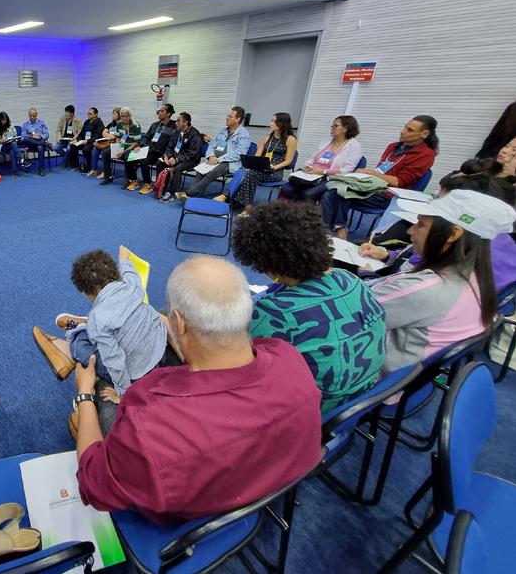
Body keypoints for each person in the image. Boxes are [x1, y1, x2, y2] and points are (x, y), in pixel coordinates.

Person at [74, 256, 322, 522]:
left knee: (91, 403)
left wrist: (85, 394)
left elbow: (93, 483)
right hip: (266, 494)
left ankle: (76, 337)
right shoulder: (290, 359)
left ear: (178, 323)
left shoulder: (147, 419)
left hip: (180, 526)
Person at [232, 201, 386, 413]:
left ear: (266, 265)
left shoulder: (271, 314)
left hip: (307, 415)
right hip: (358, 400)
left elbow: (236, 366)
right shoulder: (351, 280)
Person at [367, 190, 516, 373]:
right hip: (408, 376)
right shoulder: (478, 279)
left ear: (453, 234)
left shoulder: (425, 290)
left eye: (420, 224)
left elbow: (340, 317)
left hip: (369, 375)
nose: (410, 230)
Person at [31, 247, 167, 435]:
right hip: (158, 351)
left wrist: (123, 393)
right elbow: (131, 272)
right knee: (103, 330)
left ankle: (74, 334)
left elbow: (115, 359)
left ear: (86, 292)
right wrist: (125, 259)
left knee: (82, 346)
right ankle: (83, 324)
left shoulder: (99, 320)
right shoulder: (132, 285)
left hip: (136, 371)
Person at [359, 163, 516, 291]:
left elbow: (372, 300)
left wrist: (366, 274)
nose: (411, 230)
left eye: (441, 199)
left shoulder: (435, 277)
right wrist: (388, 254)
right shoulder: (494, 241)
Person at [321, 116, 438, 239]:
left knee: (339, 193)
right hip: (373, 186)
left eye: (410, 130)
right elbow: (381, 169)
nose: (403, 131)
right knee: (333, 190)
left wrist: (371, 173)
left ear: (424, 134)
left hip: (390, 194)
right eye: (405, 127)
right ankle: (332, 229)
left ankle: (337, 230)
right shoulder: (393, 147)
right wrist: (364, 175)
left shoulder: (426, 154)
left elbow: (399, 181)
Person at [214, 112, 298, 208]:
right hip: (261, 168)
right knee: (245, 171)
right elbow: (257, 155)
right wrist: (253, 163)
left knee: (251, 175)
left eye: (274, 121)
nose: (271, 123)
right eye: (271, 120)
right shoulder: (266, 138)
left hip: (275, 172)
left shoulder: (291, 139)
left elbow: (288, 161)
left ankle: (233, 199)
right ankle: (238, 202)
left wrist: (274, 167)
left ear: (283, 124)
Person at [280, 115, 363, 203]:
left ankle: (305, 213)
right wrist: (308, 166)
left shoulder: (354, 146)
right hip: (312, 174)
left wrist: (323, 171)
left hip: (330, 178)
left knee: (307, 194)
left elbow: (347, 170)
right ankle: (296, 210)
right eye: (332, 126)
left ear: (346, 128)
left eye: (336, 126)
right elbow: (312, 159)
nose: (332, 128)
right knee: (286, 188)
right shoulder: (327, 141)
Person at [184, 106, 250, 198]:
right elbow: (211, 145)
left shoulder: (244, 134)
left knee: (213, 172)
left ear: (238, 119)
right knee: (200, 170)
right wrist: (210, 156)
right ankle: (194, 193)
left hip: (229, 162)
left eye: (230, 116)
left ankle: (189, 193)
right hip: (214, 159)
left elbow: (240, 153)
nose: (226, 118)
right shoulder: (221, 131)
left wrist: (220, 159)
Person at [122, 103, 177, 195]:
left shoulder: (174, 126)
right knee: (127, 156)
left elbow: (187, 131)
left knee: (144, 159)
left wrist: (203, 136)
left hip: (161, 153)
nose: (159, 112)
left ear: (168, 114)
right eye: (159, 110)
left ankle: (148, 183)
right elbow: (146, 138)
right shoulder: (155, 125)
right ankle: (134, 180)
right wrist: (139, 146)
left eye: (162, 111)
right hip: (149, 150)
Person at [156, 112, 204, 203]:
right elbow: (169, 147)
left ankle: (171, 192)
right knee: (160, 162)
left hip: (191, 160)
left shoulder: (194, 134)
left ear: (186, 122)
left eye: (178, 121)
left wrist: (177, 159)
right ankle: (161, 186)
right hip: (175, 156)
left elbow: (193, 153)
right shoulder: (176, 132)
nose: (176, 123)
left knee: (178, 168)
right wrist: (167, 156)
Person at [100, 107, 142, 186]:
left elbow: (137, 143)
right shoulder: (119, 123)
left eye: (126, 116)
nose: (124, 118)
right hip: (122, 145)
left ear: (130, 116)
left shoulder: (136, 125)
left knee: (126, 156)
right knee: (105, 152)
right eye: (122, 116)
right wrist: (117, 149)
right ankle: (107, 177)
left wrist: (122, 152)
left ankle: (128, 180)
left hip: (132, 147)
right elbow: (118, 138)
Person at [64, 107, 105, 174]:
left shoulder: (99, 123)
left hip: (92, 142)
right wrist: (77, 140)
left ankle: (90, 167)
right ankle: (75, 165)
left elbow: (98, 136)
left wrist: (87, 141)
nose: (88, 115)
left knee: (85, 149)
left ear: (95, 114)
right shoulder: (87, 122)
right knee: (73, 146)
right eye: (88, 113)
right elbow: (81, 133)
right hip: (84, 141)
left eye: (90, 113)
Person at [0, 111, 26, 177]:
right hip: (3, 147)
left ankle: (13, 172)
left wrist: (16, 139)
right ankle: (21, 160)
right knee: (13, 145)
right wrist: (1, 141)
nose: (4, 122)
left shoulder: (11, 126)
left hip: (11, 145)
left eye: (5, 120)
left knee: (12, 150)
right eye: (2, 120)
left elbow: (15, 135)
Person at [20, 107, 50, 176]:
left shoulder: (42, 123)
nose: (32, 117)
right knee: (27, 139)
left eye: (34, 116)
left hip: (39, 142)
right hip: (30, 144)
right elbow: (22, 137)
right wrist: (31, 136)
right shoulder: (25, 124)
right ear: (28, 115)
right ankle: (45, 143)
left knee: (40, 147)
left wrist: (40, 136)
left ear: (37, 115)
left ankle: (41, 169)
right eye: (31, 116)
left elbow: (47, 134)